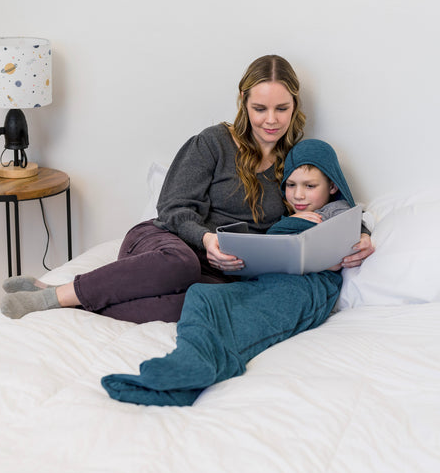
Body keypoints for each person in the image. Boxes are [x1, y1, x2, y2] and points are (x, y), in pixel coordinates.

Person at [0, 55, 374, 324]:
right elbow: (172, 208)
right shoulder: (213, 142)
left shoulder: (298, 160)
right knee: (180, 265)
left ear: (295, 107)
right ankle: (53, 296)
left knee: (198, 303)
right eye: (260, 108)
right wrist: (208, 239)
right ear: (244, 102)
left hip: (222, 271)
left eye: (282, 108)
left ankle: (67, 296)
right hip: (164, 243)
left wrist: (360, 235)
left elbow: (337, 201)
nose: (271, 120)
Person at [101, 139, 358, 406]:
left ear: (333, 186)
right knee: (201, 294)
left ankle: (195, 368)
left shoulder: (336, 212)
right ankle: (190, 362)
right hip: (268, 283)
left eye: (310, 186)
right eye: (291, 185)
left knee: (242, 324)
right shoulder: (292, 215)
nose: (299, 195)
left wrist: (360, 235)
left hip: (306, 292)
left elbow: (343, 234)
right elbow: (274, 242)